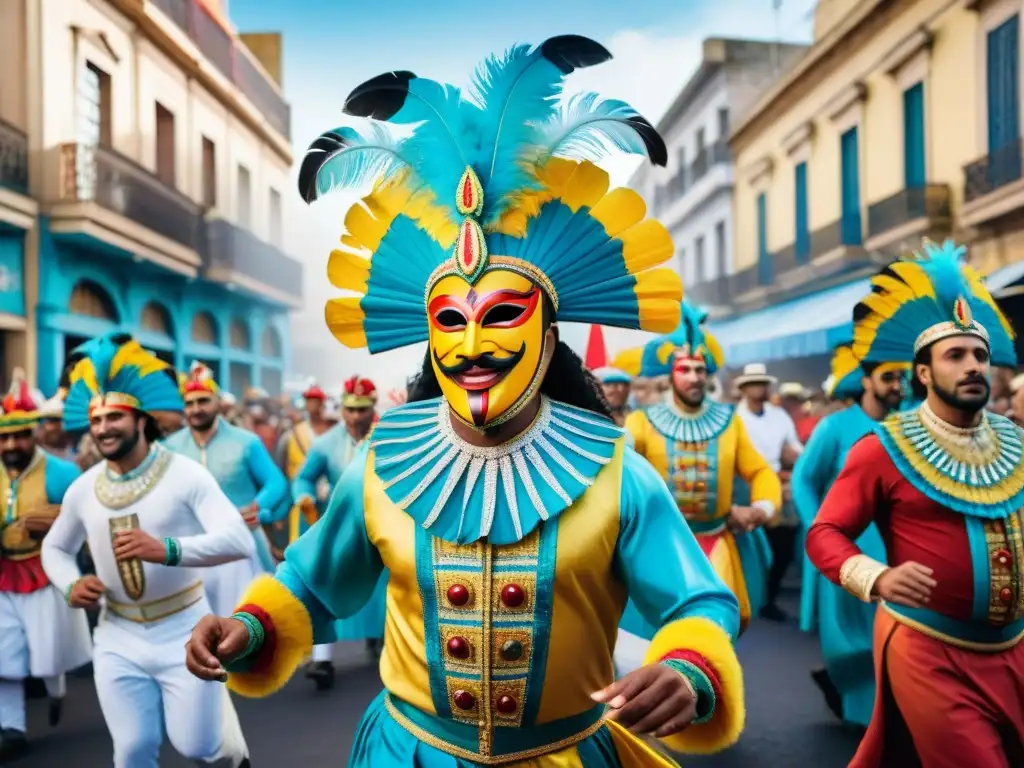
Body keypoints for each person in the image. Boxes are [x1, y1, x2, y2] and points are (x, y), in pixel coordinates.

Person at [185, 36, 747, 766]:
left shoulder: (616, 472)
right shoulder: (384, 462)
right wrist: (250, 628)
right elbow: (311, 580)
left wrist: (689, 669)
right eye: (451, 320)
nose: (472, 343)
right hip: (407, 752)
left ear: (549, 336)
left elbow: (699, 601)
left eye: (502, 315)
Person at [806, 240, 1023, 767]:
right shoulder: (883, 447)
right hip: (929, 649)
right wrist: (875, 577)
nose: (973, 365)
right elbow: (824, 533)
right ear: (923, 373)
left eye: (979, 354)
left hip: (1014, 649)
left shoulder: (1015, 439)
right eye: (955, 355)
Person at [41, 332, 254, 768]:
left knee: (198, 746)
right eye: (97, 420)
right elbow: (55, 548)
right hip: (117, 635)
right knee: (133, 749)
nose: (103, 428)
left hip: (185, 629)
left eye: (115, 417)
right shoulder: (83, 489)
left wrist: (168, 550)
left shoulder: (185, 475)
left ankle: (231, 753)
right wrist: (71, 583)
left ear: (141, 420)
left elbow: (239, 539)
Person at [623, 302, 779, 646]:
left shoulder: (729, 421)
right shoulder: (642, 423)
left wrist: (762, 508)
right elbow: (620, 477)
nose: (694, 377)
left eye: (700, 369)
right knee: (659, 636)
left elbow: (760, 471)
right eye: (686, 369)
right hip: (660, 545)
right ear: (671, 375)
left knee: (716, 636)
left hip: (716, 541)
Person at [791, 341, 907, 727]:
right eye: (888, 378)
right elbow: (804, 479)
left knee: (899, 636)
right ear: (866, 381)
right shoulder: (835, 427)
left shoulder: (911, 425)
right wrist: (819, 529)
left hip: (900, 549)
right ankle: (861, 711)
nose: (897, 386)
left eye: (901, 377)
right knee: (852, 639)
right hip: (850, 550)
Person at [0, 373, 91, 760]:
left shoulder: (62, 473)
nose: (11, 445)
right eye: (4, 438)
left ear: (33, 433)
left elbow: (84, 524)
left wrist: (50, 527)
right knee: (3, 657)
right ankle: (12, 727)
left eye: (19, 436)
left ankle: (56, 692)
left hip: (44, 575)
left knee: (48, 655)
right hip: (3, 577)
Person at [164, 363, 289, 618]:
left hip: (241, 544)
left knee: (248, 620)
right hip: (191, 546)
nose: (196, 409)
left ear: (218, 403)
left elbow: (276, 482)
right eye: (190, 403)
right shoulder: (170, 448)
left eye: (203, 401)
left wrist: (257, 507)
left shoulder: (245, 441)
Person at [291, 375, 386, 689]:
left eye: (362, 409)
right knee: (322, 585)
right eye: (350, 409)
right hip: (338, 527)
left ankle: (382, 639)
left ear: (373, 407)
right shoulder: (325, 444)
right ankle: (322, 660)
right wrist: (303, 497)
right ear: (341, 409)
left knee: (383, 591)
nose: (355, 416)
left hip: (381, 526)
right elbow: (304, 478)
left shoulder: (390, 437)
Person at [734, 362, 802, 622]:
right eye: (754, 383)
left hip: (775, 483)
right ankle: (746, 599)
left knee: (782, 544)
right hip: (744, 486)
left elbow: (794, 446)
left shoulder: (779, 416)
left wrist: (801, 463)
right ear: (744, 388)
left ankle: (768, 598)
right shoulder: (735, 419)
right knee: (748, 548)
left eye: (762, 383)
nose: (758, 388)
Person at [275, 380, 332, 549]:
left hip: (329, 500)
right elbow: (282, 471)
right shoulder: (292, 434)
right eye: (309, 400)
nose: (312, 404)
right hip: (301, 501)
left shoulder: (333, 432)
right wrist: (281, 508)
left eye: (315, 400)